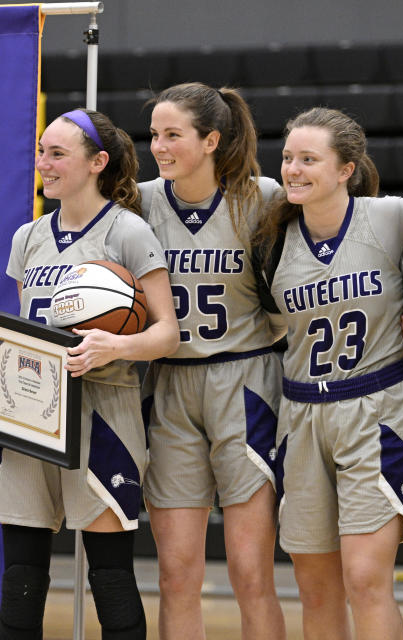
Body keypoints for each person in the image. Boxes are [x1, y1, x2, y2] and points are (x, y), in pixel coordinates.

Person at [0, 108, 179, 640]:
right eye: (40, 151)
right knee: (21, 577)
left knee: (109, 576)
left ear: (96, 163)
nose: (44, 163)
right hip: (31, 414)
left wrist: (116, 345)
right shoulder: (28, 237)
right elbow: (24, 342)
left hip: (105, 410)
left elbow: (167, 333)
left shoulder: (128, 231)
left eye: (57, 153)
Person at [252, 107, 403, 640]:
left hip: (376, 411)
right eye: (287, 158)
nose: (293, 170)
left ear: (347, 168)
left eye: (309, 159)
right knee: (315, 586)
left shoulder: (391, 217)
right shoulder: (274, 238)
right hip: (301, 414)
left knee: (366, 578)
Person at [138, 82, 285, 640]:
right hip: (170, 382)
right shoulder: (142, 201)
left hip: (245, 382)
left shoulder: (262, 197)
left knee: (251, 574)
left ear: (211, 140)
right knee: (176, 575)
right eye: (154, 134)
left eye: (173, 134)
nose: (159, 146)